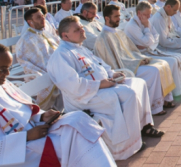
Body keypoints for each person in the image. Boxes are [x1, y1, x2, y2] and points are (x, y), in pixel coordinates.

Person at [47, 17, 162, 160]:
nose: (82, 30)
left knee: (139, 83)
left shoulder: (79, 47)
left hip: (101, 87)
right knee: (128, 94)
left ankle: (143, 126)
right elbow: (72, 86)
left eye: (81, 27)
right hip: (84, 97)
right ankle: (126, 146)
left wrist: (112, 73)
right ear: (65, 35)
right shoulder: (61, 55)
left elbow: (99, 65)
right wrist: (101, 84)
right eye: (77, 30)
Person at [0, 44, 116, 167]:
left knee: (78, 120)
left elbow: (22, 108)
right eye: (2, 69)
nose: (7, 74)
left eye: (9, 68)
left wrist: (42, 116)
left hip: (33, 131)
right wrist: (26, 137)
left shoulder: (4, 84)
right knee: (74, 140)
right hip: (16, 151)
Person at [94, 5, 176, 116]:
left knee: (163, 64)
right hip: (125, 68)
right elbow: (112, 61)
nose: (119, 18)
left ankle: (165, 100)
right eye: (116, 16)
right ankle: (154, 107)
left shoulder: (119, 32)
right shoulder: (103, 38)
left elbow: (131, 51)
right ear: (107, 18)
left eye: (119, 16)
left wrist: (140, 58)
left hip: (133, 61)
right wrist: (137, 62)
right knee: (154, 71)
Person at [124, 1, 181, 97]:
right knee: (171, 61)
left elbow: (156, 36)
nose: (149, 17)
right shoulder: (132, 25)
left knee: (178, 58)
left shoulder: (146, 21)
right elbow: (148, 41)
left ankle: (177, 89)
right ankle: (169, 94)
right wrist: (147, 30)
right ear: (139, 13)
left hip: (150, 50)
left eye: (150, 14)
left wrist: (149, 43)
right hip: (142, 55)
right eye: (147, 14)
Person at [16, 8, 63, 110]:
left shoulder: (44, 32)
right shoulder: (27, 39)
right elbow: (34, 63)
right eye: (38, 17)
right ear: (30, 22)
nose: (43, 19)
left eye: (43, 16)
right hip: (45, 72)